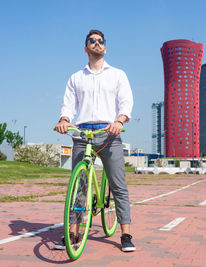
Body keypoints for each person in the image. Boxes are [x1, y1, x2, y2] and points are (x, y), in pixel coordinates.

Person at [54, 29, 135, 252]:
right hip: (82, 134)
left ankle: (126, 234)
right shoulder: (76, 78)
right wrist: (63, 119)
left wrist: (120, 120)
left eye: (100, 41)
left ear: (105, 48)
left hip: (109, 134)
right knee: (78, 187)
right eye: (92, 41)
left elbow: (126, 102)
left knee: (118, 185)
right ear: (85, 48)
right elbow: (68, 105)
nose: (97, 43)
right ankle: (72, 234)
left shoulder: (118, 75)